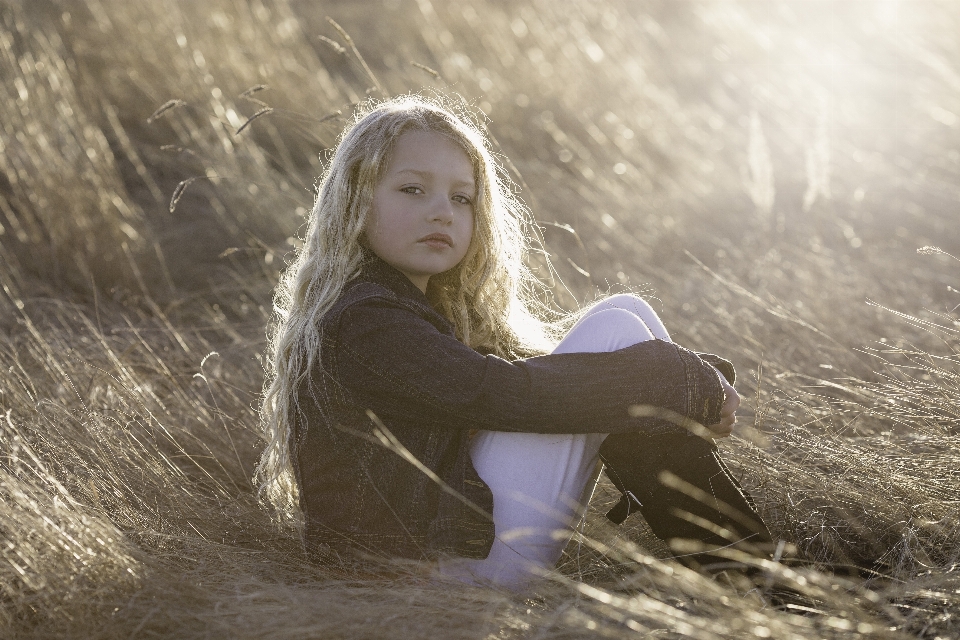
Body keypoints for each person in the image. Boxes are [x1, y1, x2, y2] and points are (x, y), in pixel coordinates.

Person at [255, 95, 772, 590]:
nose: (442, 212)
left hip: (448, 551)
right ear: (355, 199)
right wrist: (669, 377)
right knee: (620, 335)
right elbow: (499, 394)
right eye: (413, 190)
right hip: (421, 575)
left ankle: (744, 571)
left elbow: (512, 384)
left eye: (462, 198)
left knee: (624, 315)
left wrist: (679, 378)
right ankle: (751, 573)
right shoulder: (366, 320)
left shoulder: (401, 305)